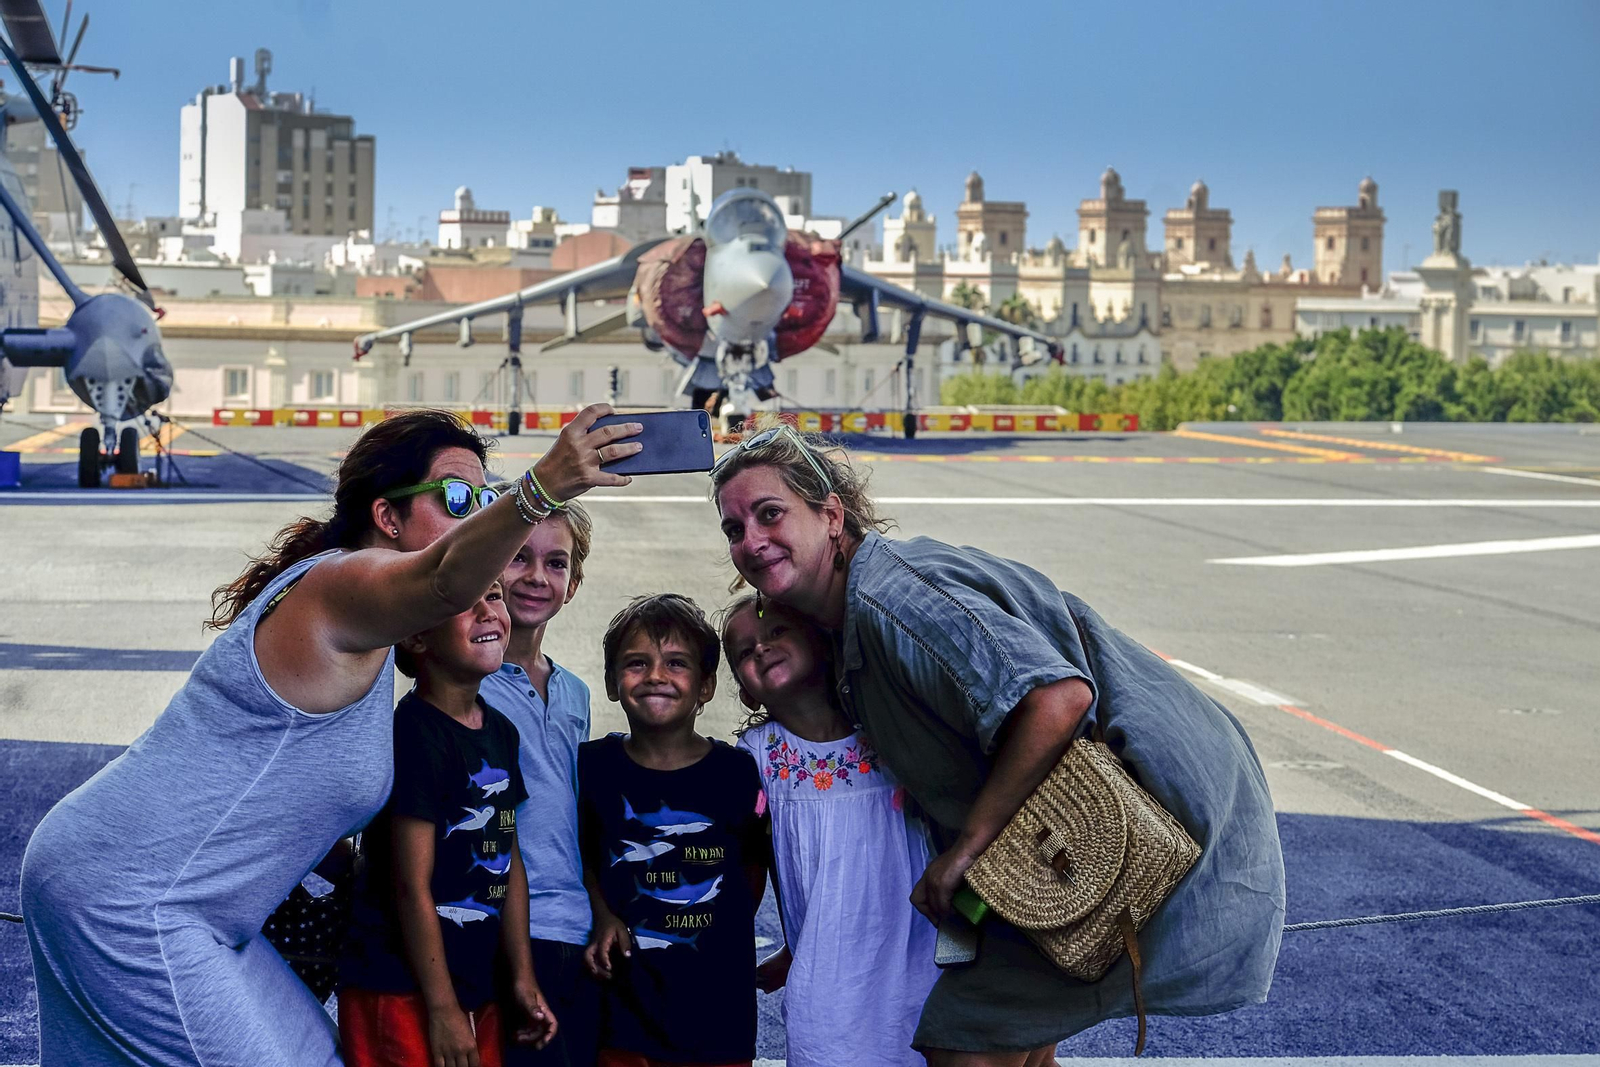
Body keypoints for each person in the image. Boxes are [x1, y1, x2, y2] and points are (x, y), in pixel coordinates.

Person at [19, 405, 641, 1067]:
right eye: (458, 496)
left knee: (319, 1051)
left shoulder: (367, 634)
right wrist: (541, 489)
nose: (478, 512)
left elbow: (279, 787)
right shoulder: (342, 586)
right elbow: (443, 577)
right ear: (388, 517)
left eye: (486, 496)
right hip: (129, 901)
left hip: (167, 901)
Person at [711, 418, 1285, 1067]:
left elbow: (1056, 697)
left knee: (967, 1040)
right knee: (1015, 1036)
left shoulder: (890, 598)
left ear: (831, 514)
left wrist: (966, 853)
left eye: (769, 514)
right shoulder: (849, 625)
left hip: (1138, 813)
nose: (752, 541)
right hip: (1046, 849)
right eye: (735, 528)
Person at [339, 580, 555, 1067]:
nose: (488, 612)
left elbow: (508, 858)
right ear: (417, 637)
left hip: (476, 984)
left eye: (495, 596)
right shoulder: (413, 733)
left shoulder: (500, 730)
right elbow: (410, 885)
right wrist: (442, 1008)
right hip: (400, 987)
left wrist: (521, 976)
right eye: (463, 601)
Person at [720, 594, 939, 1067]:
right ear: (745, 691)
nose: (760, 648)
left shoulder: (886, 728)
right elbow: (768, 855)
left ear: (821, 643)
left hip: (916, 951)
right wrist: (795, 944)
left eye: (777, 631)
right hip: (826, 971)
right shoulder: (758, 755)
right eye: (743, 651)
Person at [579, 595, 767, 1067]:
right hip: (623, 1014)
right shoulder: (592, 768)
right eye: (637, 663)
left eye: (676, 664)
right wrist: (602, 915)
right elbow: (578, 859)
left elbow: (753, 869)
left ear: (706, 686)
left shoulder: (738, 773)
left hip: (718, 1014)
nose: (656, 676)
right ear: (610, 682)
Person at [480, 494, 601, 1067]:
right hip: (506, 930)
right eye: (518, 557)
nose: (536, 577)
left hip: (575, 929)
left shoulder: (575, 692)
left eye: (556, 563)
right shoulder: (468, 685)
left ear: (573, 584)